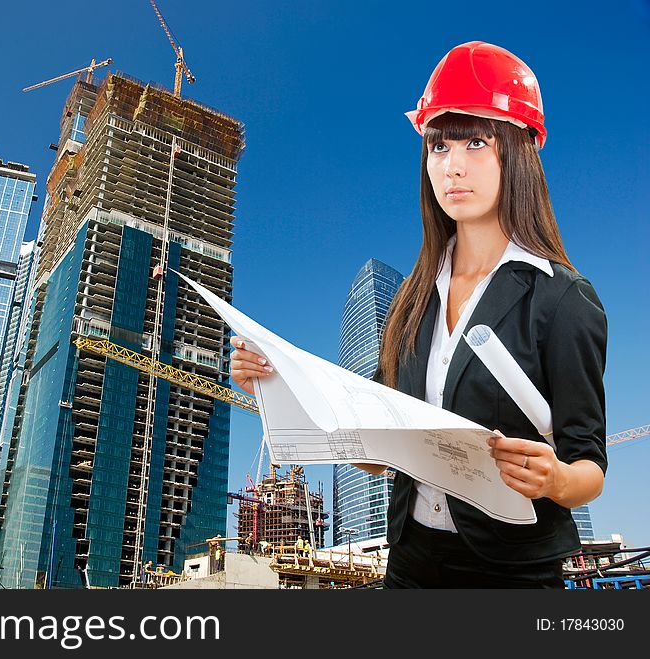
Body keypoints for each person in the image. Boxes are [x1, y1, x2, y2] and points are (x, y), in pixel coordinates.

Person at [230, 41, 607, 588]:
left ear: (519, 151)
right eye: (438, 147)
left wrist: (555, 480)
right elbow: (380, 455)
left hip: (513, 575)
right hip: (409, 566)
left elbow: (589, 467)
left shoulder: (561, 297)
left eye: (475, 142)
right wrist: (278, 386)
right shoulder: (411, 299)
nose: (452, 166)